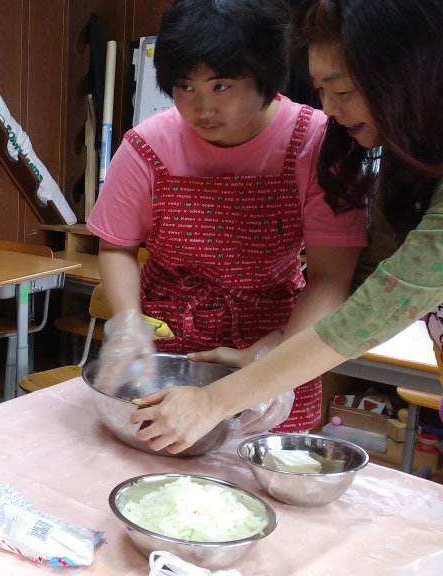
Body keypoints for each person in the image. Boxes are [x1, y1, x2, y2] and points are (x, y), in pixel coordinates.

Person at [131, 0, 443, 453]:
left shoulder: (307, 142)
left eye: (344, 89)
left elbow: (371, 312)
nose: (331, 109)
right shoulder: (411, 165)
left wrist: (214, 401)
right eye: (321, 90)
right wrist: (271, 350)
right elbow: (363, 280)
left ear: (416, 72)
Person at [85, 0, 366, 434]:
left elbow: (330, 276)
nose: (202, 109)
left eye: (221, 86)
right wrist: (127, 324)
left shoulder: (317, 143)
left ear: (266, 78)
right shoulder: (147, 145)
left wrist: (277, 360)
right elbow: (117, 247)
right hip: (168, 348)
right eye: (185, 87)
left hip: (279, 338)